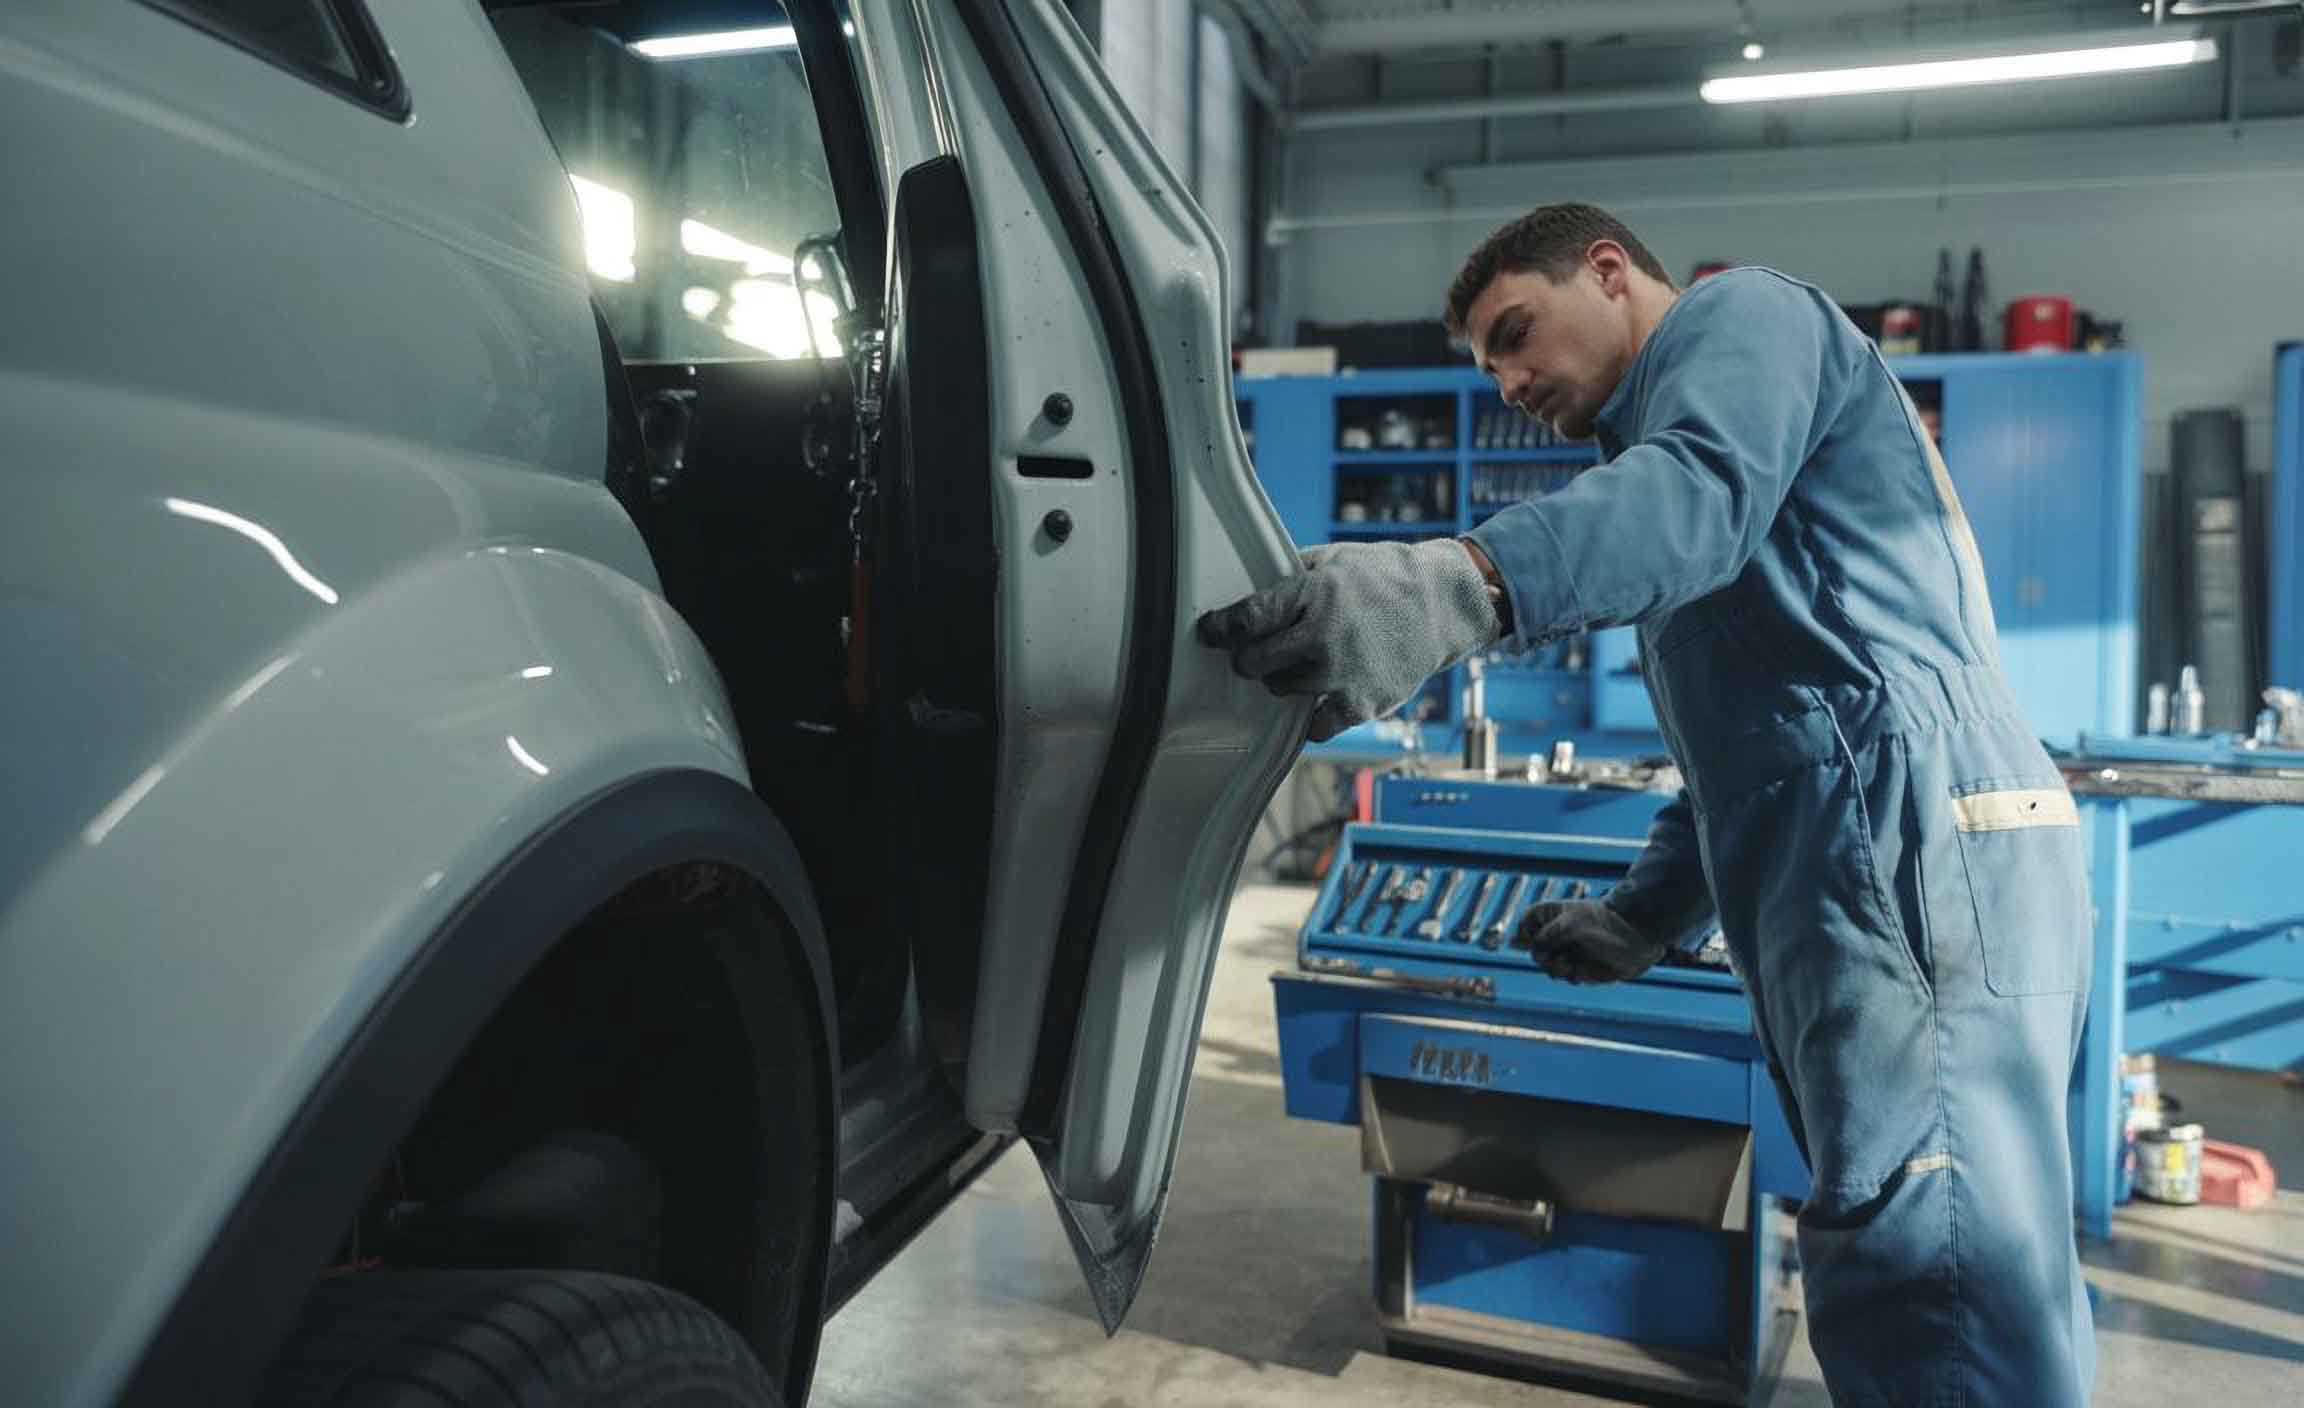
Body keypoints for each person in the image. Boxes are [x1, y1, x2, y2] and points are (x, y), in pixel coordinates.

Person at [1199, 203, 2095, 1404]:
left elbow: (1698, 498)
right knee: (1925, 1246)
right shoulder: (1669, 493)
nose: (1509, 381)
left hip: (1910, 833)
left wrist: (1453, 584)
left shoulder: (1746, 318)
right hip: (1858, 850)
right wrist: (1646, 915)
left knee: (1936, 1265)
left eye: (1516, 334)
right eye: (1487, 366)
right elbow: (1750, 751)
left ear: (1610, 271)